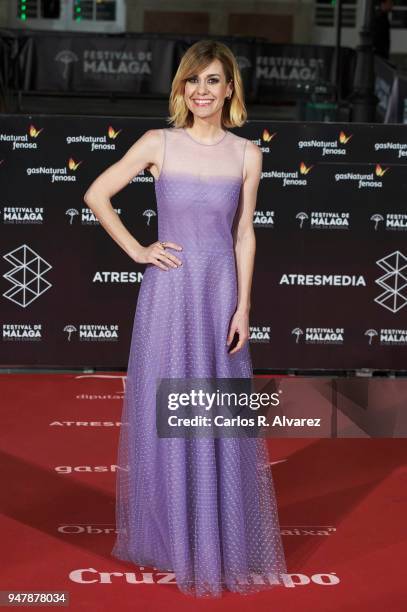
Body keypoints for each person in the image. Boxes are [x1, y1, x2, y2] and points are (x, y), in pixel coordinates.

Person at [83, 39, 287, 598]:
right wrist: (137, 250)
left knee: (217, 413)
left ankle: (216, 534)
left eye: (214, 80)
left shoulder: (248, 154)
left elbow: (244, 233)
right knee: (169, 410)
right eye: (193, 80)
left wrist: (244, 305)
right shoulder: (158, 143)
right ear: (181, 88)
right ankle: (175, 535)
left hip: (220, 291)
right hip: (171, 293)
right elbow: (97, 192)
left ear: (229, 90)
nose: (202, 90)